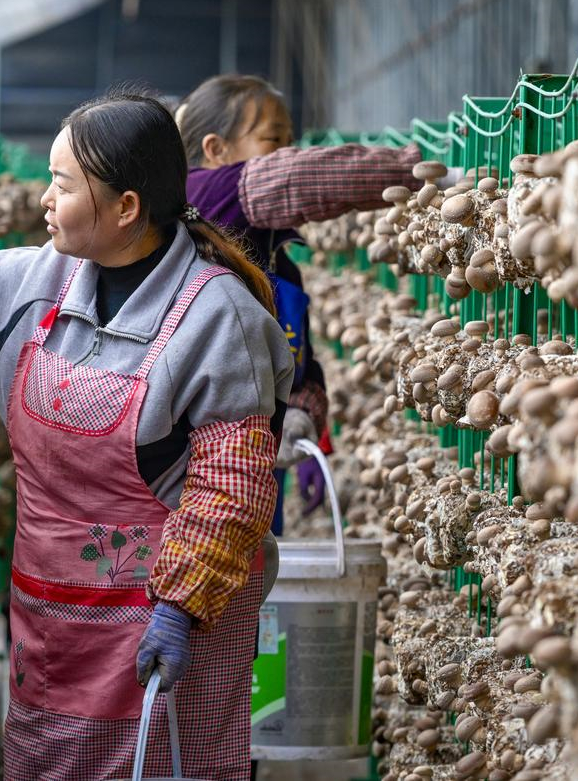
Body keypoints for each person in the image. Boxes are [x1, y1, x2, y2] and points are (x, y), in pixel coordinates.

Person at [0, 92, 292, 781]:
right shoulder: (31, 279)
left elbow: (233, 488)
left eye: (63, 183)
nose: (46, 200)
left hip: (169, 625)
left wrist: (181, 605)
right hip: (52, 624)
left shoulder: (217, 317)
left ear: (127, 207)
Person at [178, 74, 423, 527]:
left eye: (291, 140)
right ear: (216, 150)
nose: (288, 151)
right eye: (273, 139)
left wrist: (305, 420)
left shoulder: (273, 257)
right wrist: (424, 171)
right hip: (195, 459)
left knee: (247, 574)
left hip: (253, 456)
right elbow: (296, 178)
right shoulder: (206, 194)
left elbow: (294, 347)